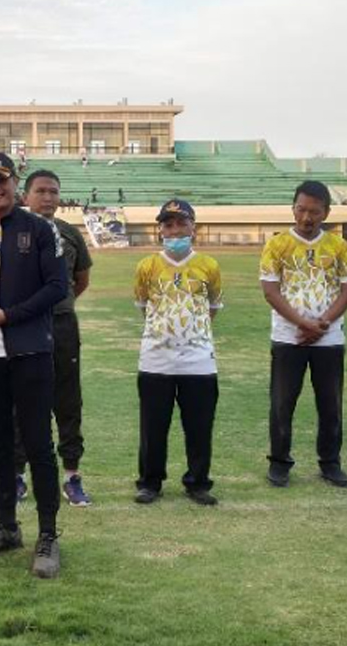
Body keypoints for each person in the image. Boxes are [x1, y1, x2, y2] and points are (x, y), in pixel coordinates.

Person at [0, 151, 67, 579]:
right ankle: (6, 526)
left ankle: (48, 536)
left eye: (0, 178)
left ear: (14, 182)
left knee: (38, 445)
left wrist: (9, 315)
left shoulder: (40, 229)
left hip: (30, 351)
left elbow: (57, 286)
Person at [259, 181, 347, 488]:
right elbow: (271, 291)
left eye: (314, 211)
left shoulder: (338, 246)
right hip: (288, 338)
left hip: (330, 339)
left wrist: (321, 324)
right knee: (282, 404)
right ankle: (279, 463)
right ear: (293, 208)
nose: (306, 217)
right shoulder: (277, 245)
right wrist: (303, 323)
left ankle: (330, 463)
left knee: (330, 405)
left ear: (326, 212)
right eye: (301, 209)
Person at [134, 199, 224, 507]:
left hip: (199, 362)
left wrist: (191, 334)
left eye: (181, 224)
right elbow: (143, 307)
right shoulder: (146, 266)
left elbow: (213, 306)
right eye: (168, 225)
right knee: (153, 428)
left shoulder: (209, 266)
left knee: (199, 427)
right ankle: (150, 482)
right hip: (155, 360)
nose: (175, 231)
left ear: (193, 227)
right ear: (160, 230)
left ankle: (198, 482)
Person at [13, 170, 94, 506]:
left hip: (61, 325)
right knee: (22, 400)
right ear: (25, 196)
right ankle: (17, 475)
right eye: (41, 191)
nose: (48, 197)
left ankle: (71, 476)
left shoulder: (69, 233)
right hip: (24, 326)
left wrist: (58, 303)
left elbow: (81, 280)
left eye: (53, 191)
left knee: (68, 399)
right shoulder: (13, 231)